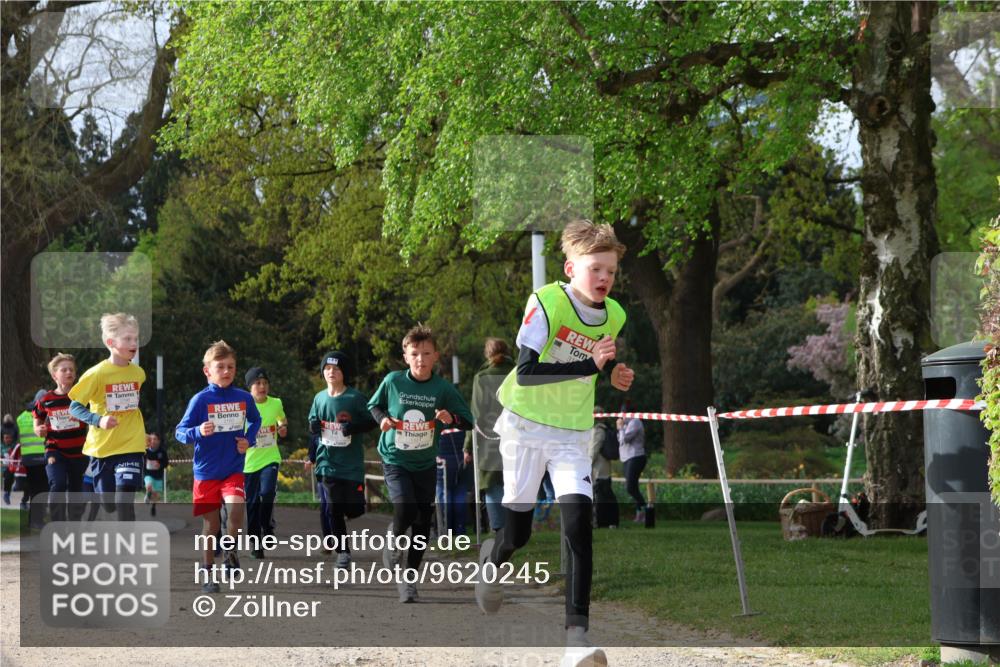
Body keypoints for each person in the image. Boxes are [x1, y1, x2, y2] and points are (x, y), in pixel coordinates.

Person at [475, 219, 634, 667]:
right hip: (525, 427)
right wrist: (589, 366)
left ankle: (575, 642)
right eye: (595, 269)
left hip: (572, 433)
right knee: (518, 533)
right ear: (570, 268)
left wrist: (614, 373)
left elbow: (601, 362)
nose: (604, 278)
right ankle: (494, 557)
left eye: (611, 271)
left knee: (579, 526)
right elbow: (526, 372)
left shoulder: (616, 314)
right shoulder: (545, 303)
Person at [368, 325, 474, 603]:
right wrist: (382, 419)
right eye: (414, 354)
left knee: (423, 524)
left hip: (425, 461)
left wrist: (451, 418)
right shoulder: (393, 381)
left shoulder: (443, 388)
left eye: (426, 353)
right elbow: (374, 405)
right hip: (395, 458)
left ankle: (410, 580)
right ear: (405, 356)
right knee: (405, 508)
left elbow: (468, 420)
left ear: (436, 356)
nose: (420, 359)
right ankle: (393, 537)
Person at [175, 340, 261, 593]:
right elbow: (180, 432)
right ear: (207, 371)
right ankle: (208, 571)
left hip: (233, 469)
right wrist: (198, 431)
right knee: (211, 526)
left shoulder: (244, 398)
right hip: (206, 473)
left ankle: (230, 553)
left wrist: (249, 439)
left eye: (231, 367)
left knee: (236, 512)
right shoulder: (200, 400)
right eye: (220, 367)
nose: (226, 371)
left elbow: (255, 421)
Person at [69, 313, 146, 522]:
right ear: (111, 342)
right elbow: (74, 408)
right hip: (102, 448)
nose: (134, 343)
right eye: (128, 339)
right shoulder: (96, 374)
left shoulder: (138, 373)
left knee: (123, 501)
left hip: (131, 444)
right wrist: (99, 420)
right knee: (109, 504)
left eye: (136, 339)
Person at [306, 351, 375, 568]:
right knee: (333, 507)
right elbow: (312, 423)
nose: (331, 372)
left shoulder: (355, 398)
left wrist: (353, 427)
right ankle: (343, 552)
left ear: (344, 373)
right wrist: (314, 426)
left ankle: (344, 523)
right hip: (327, 461)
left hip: (351, 463)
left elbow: (371, 421)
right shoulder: (319, 398)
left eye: (336, 369)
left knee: (355, 509)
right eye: (327, 368)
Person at [464, 337, 514, 533]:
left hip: (488, 441)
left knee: (492, 485)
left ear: (487, 354)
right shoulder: (519, 372)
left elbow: (476, 416)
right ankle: (516, 529)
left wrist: (467, 446)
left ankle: (499, 530)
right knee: (515, 483)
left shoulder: (482, 377)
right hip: (518, 437)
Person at [34, 354, 89, 522]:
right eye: (64, 369)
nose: (68, 372)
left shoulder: (82, 395)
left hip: (79, 452)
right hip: (55, 449)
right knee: (57, 484)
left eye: (71, 369)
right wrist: (37, 428)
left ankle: (73, 526)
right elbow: (37, 416)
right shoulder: (46, 399)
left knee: (75, 489)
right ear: (54, 375)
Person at [243, 367, 287, 559]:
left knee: (267, 492)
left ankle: (267, 527)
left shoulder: (276, 402)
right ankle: (255, 542)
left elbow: (281, 419)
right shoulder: (242, 407)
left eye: (265, 383)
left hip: (270, 458)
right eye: (257, 383)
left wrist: (283, 427)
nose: (262, 387)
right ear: (250, 387)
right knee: (252, 504)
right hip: (248, 463)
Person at [18, 396, 49, 528]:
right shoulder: (44, 414)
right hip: (42, 458)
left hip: (28, 459)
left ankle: (34, 520)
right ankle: (37, 520)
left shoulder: (20, 417)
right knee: (42, 490)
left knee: (34, 490)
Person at [436, 427, 472, 537]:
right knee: (451, 502)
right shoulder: (462, 419)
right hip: (452, 467)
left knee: (453, 502)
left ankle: (452, 532)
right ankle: (455, 532)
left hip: (452, 467)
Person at [617, 403, 647, 523]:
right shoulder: (626, 424)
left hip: (636, 456)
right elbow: (619, 440)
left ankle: (645, 511)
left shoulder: (635, 422)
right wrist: (621, 428)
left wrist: (620, 428)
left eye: (623, 413)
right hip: (627, 458)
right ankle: (640, 513)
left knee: (630, 487)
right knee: (633, 487)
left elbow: (625, 439)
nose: (621, 416)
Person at [590, 408, 618, 529]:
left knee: (600, 497)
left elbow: (593, 451)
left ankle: (601, 521)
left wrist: (585, 464)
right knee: (606, 496)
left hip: (598, 469)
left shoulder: (598, 431)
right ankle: (610, 522)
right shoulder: (605, 429)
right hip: (604, 468)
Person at [143, 432, 169, 517]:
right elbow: (141, 462)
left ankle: (153, 506)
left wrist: (160, 465)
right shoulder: (145, 451)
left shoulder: (162, 452)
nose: (153, 441)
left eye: (155, 439)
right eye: (151, 439)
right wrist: (145, 463)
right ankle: (147, 494)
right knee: (149, 485)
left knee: (156, 495)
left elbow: (166, 463)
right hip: (148, 474)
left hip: (158, 475)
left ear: (158, 441)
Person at [2, 414, 19, 505]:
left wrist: (14, 445)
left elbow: (16, 436)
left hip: (13, 448)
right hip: (4, 451)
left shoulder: (14, 427)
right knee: (7, 475)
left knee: (11, 474)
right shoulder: (2, 428)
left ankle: (9, 491)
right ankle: (7, 492)